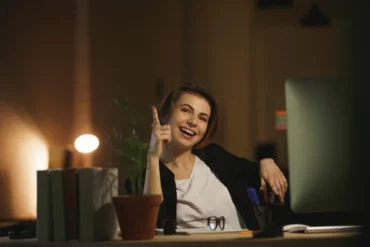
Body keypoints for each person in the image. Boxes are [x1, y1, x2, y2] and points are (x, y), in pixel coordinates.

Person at [138, 84, 287, 231]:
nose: (193, 122)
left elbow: (254, 171)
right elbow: (147, 227)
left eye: (202, 118)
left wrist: (267, 162)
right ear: (165, 114)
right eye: (185, 110)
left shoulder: (214, 156)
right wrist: (153, 158)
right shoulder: (150, 176)